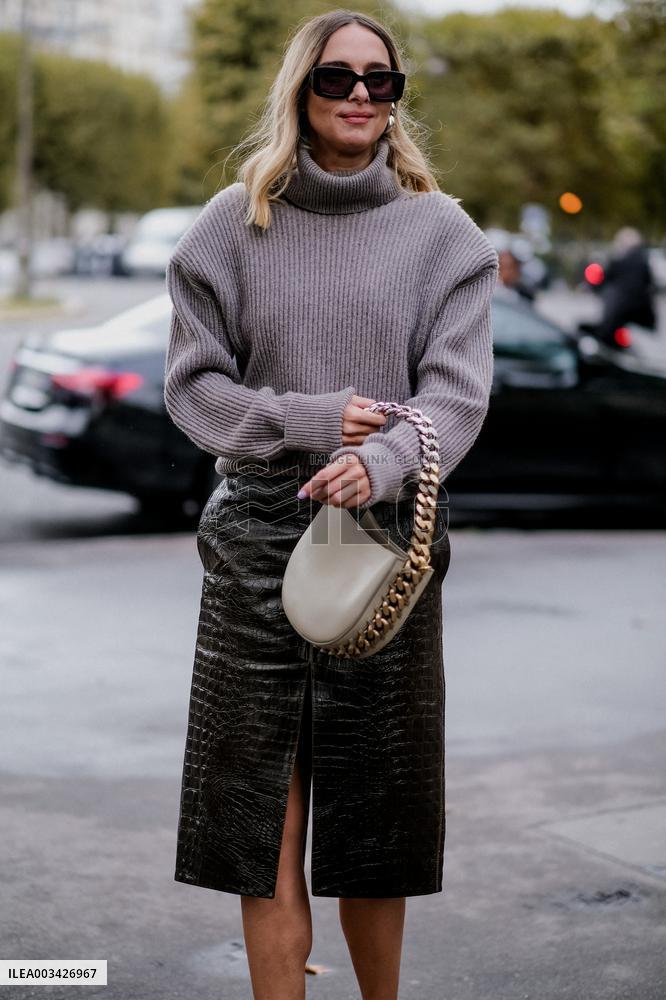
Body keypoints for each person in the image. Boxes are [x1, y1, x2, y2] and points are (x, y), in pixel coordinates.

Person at [163, 9, 498, 1000]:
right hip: (257, 532)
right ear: (301, 89)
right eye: (337, 77)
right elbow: (192, 385)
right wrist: (309, 420)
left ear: (396, 98)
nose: (359, 95)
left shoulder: (444, 234)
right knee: (260, 810)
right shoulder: (234, 223)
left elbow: (457, 395)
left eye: (379, 80)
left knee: (377, 811)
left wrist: (383, 459)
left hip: (384, 535)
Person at [596, 227, 657, 347]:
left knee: (606, 335)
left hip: (620, 311)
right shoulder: (644, 260)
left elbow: (605, 276)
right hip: (642, 314)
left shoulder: (620, 258)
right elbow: (649, 282)